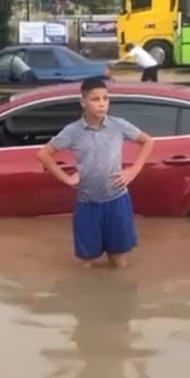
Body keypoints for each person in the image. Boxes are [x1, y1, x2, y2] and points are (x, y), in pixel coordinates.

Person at [37, 77, 153, 267]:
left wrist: (134, 169)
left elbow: (148, 141)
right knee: (86, 262)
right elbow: (44, 154)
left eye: (105, 99)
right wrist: (67, 179)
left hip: (117, 200)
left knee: (118, 259)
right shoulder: (72, 131)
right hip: (87, 203)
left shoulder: (119, 125)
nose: (101, 104)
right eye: (95, 99)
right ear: (83, 102)